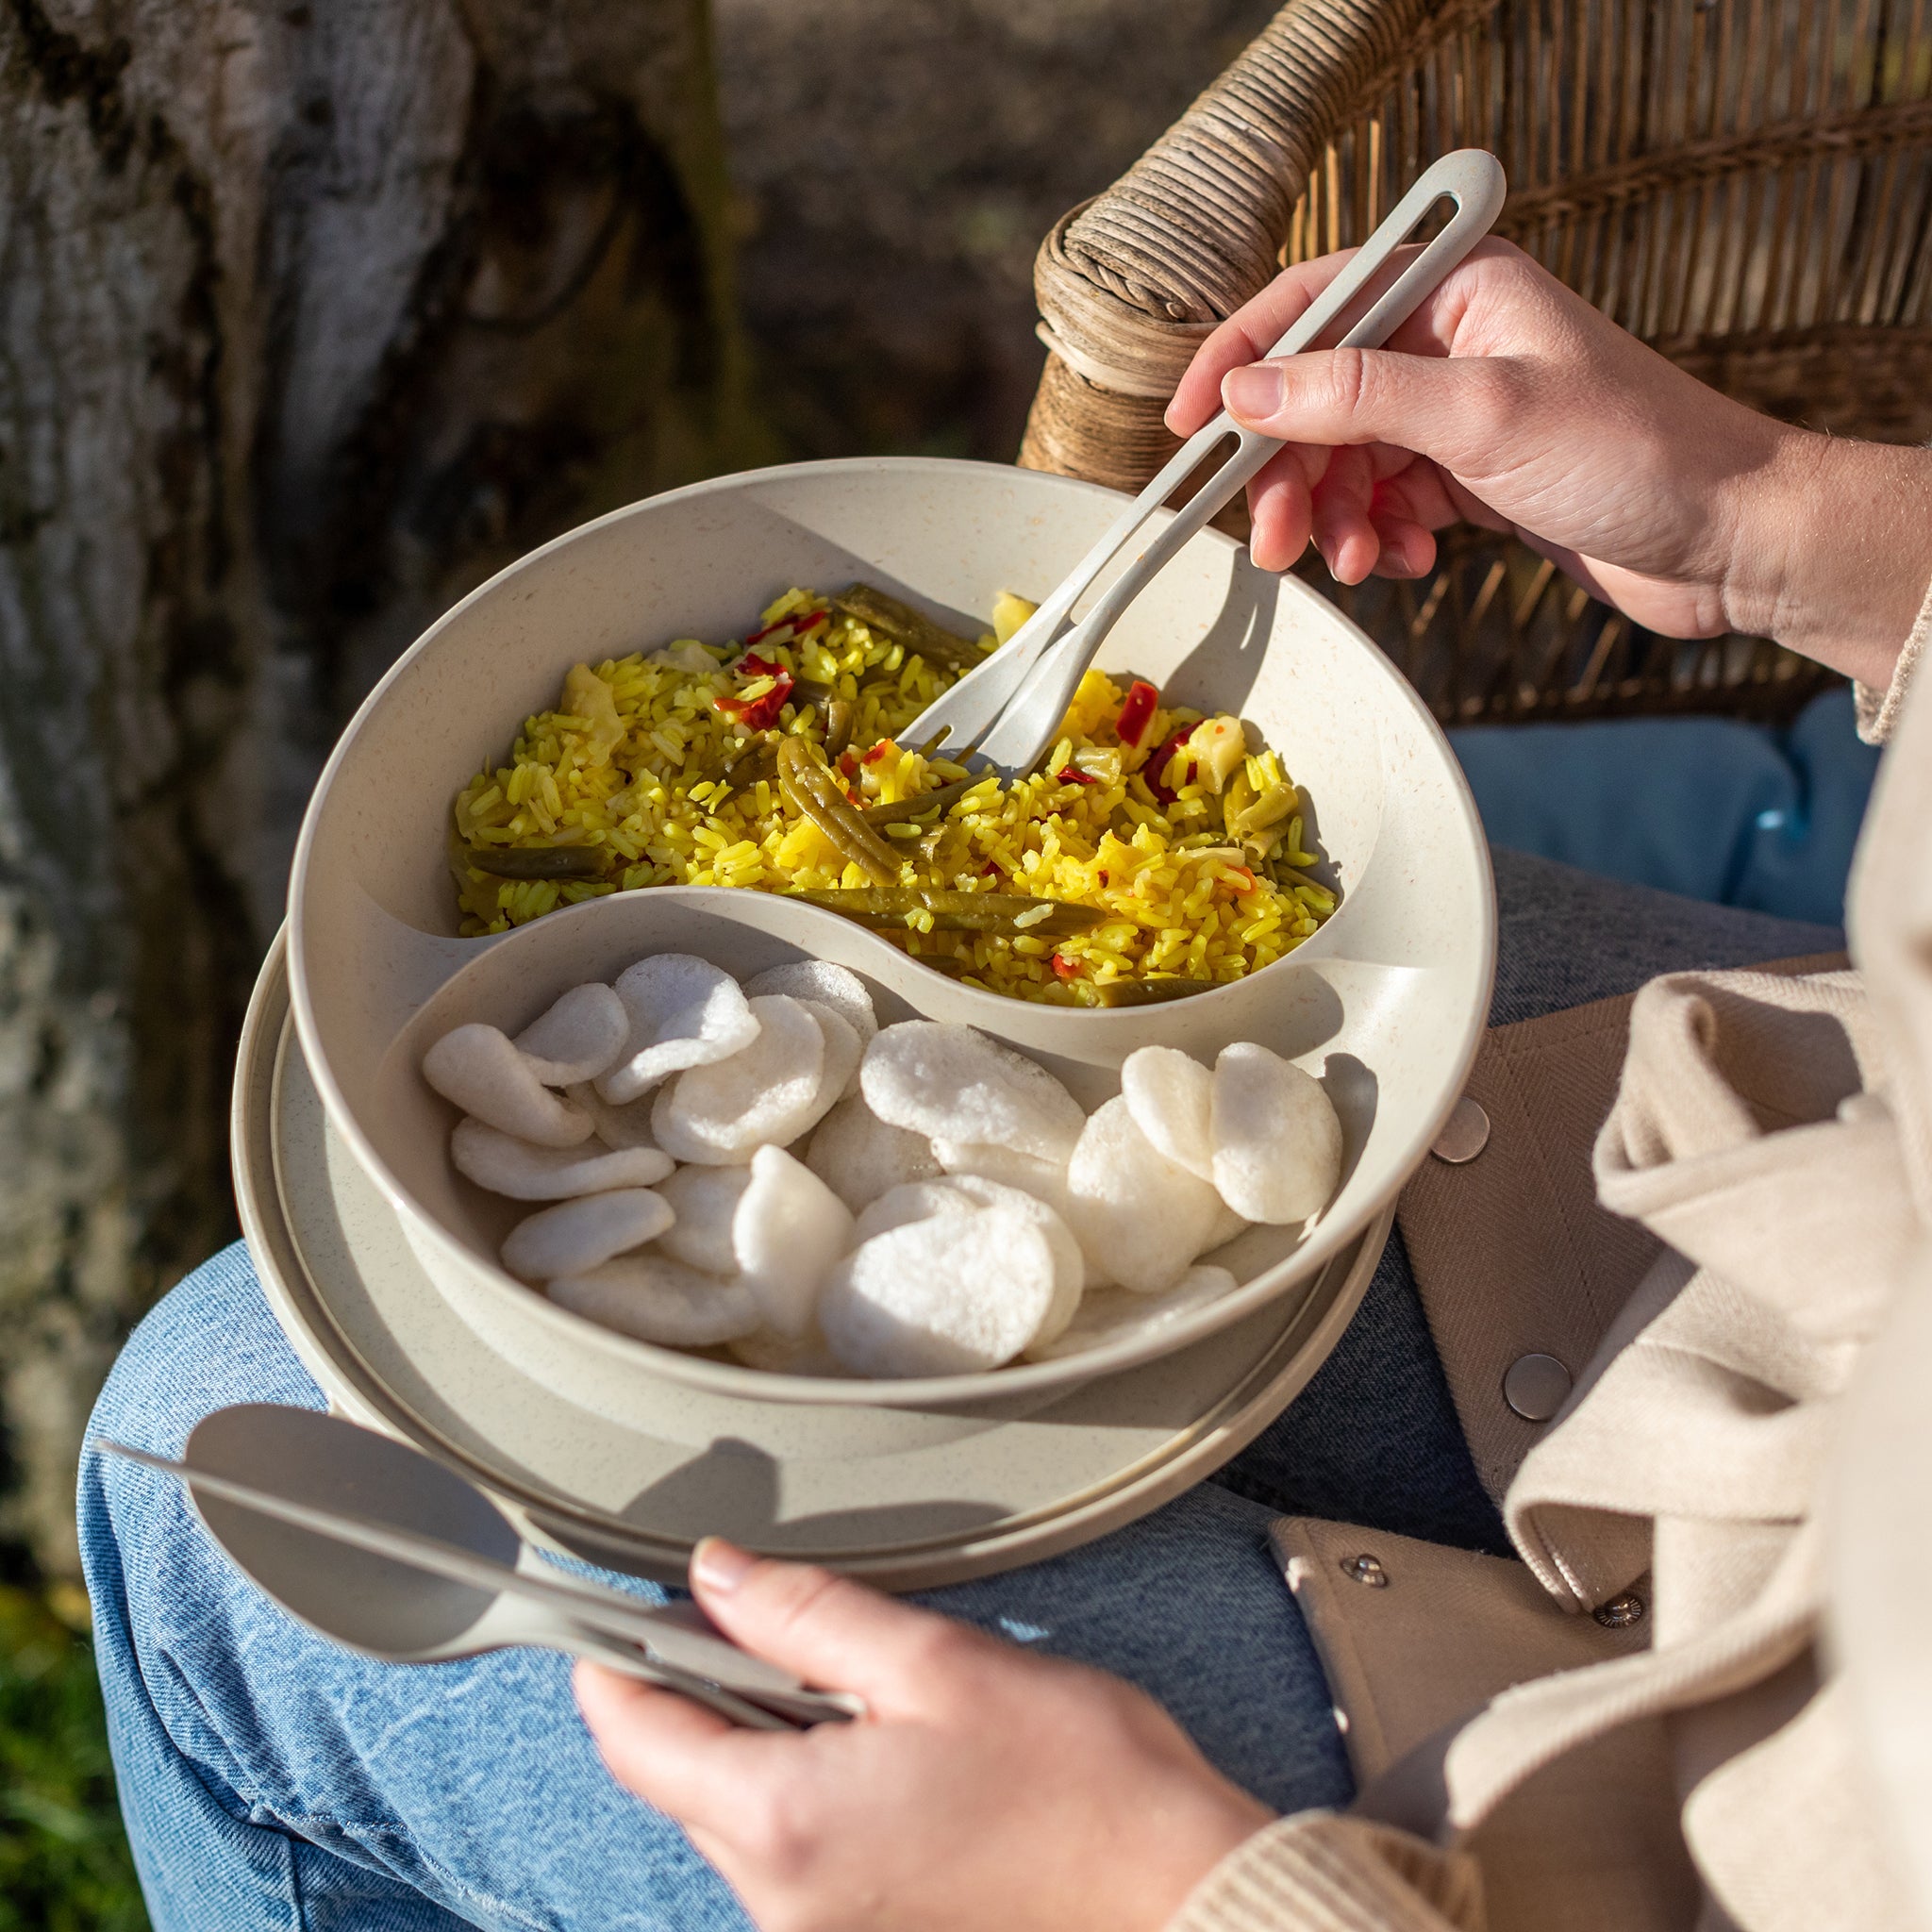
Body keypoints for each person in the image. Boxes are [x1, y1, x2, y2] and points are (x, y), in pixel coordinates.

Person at [81, 240, 1932, 1932]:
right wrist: (1791, 528)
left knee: (197, 1466)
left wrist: (1170, 1893)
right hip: (1821, 1144)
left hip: (1624, 1827)